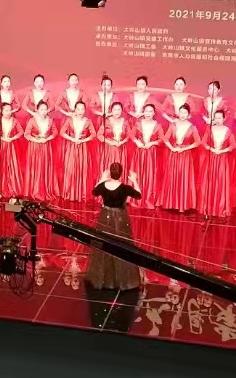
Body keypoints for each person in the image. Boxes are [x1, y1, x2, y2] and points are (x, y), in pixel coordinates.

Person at [85, 163, 143, 292]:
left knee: (103, 244)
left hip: (105, 216)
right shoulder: (125, 188)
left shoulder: (103, 186)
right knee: (121, 245)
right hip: (120, 218)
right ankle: (122, 279)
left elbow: (94, 192)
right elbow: (138, 195)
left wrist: (102, 178)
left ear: (110, 173)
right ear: (121, 174)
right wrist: (134, 180)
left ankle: (104, 278)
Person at [160, 104, 201, 213]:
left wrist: (185, 148)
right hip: (174, 154)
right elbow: (165, 138)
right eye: (181, 112)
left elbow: (198, 142)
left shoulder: (192, 127)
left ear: (188, 115)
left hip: (185, 156)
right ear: (178, 113)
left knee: (184, 178)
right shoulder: (173, 125)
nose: (182, 115)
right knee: (172, 177)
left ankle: (183, 204)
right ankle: (171, 203)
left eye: (185, 113)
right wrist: (172, 148)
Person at [0, 102, 26, 199]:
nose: (8, 112)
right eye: (6, 110)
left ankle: (12, 188)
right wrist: (2, 138)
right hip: (0, 146)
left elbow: (21, 132)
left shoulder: (14, 121)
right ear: (2, 111)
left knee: (12, 166)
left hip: (11, 146)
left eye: (10, 110)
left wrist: (13, 138)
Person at [57, 100, 97, 203]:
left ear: (85, 110)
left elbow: (93, 134)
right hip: (72, 147)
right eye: (78, 109)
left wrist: (83, 140)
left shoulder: (88, 121)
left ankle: (82, 194)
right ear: (75, 110)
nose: (80, 111)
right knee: (71, 169)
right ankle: (70, 193)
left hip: (83, 148)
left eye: (82, 109)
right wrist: (72, 139)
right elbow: (62, 132)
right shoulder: (69, 120)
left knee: (83, 169)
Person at [201, 108, 236, 219]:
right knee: (209, 181)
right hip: (211, 158)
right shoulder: (209, 129)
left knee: (220, 182)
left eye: (220, 118)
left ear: (224, 119)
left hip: (222, 159)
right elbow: (203, 142)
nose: (217, 120)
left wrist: (222, 151)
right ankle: (207, 207)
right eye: (216, 118)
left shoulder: (228, 130)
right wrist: (211, 149)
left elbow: (233, 145)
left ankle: (220, 207)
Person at [22, 100, 58, 202]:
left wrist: (47, 138)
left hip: (46, 146)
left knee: (44, 167)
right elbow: (26, 134)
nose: (44, 111)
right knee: (35, 167)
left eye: (45, 109)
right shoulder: (32, 120)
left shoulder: (50, 120)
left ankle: (44, 190)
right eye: (41, 109)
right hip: (34, 147)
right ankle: (34, 190)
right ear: (37, 110)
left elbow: (55, 132)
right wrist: (36, 140)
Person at [131, 102, 164, 209]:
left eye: (150, 111)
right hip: (139, 152)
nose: (148, 113)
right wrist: (137, 142)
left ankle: (148, 199)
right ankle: (136, 198)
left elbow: (161, 139)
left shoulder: (158, 125)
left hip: (151, 154)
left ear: (154, 113)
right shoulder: (138, 124)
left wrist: (152, 143)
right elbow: (131, 134)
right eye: (146, 111)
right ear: (143, 112)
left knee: (150, 175)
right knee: (138, 173)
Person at [98, 101, 132, 175]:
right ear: (111, 111)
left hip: (121, 149)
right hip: (109, 149)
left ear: (121, 111)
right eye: (115, 109)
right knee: (109, 168)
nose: (117, 112)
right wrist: (110, 142)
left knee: (120, 169)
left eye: (119, 109)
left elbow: (130, 134)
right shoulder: (106, 121)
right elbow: (99, 135)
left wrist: (122, 142)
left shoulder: (125, 121)